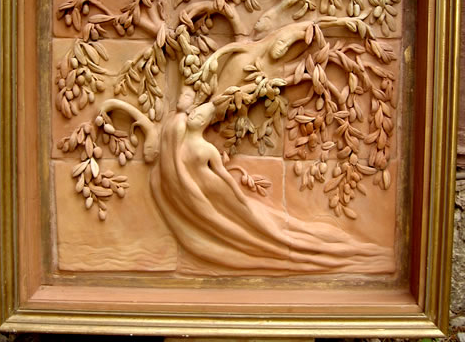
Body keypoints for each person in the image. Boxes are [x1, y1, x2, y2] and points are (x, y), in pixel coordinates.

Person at [150, 89, 395, 273]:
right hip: (201, 193)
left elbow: (223, 176)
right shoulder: (177, 132)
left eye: (201, 116)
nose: (195, 116)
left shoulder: (207, 149)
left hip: (218, 191)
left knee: (255, 221)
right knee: (233, 225)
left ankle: (316, 248)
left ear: (206, 124)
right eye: (196, 112)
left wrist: (239, 196)